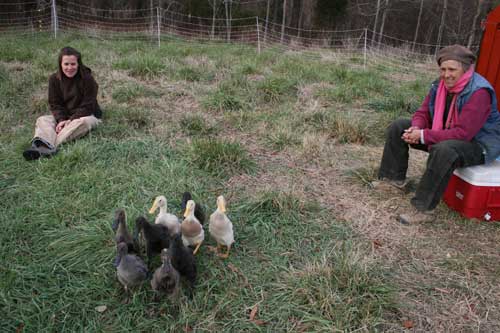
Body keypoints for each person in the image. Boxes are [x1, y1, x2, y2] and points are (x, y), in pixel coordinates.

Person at [376, 44, 500, 224]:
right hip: (447, 133)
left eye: (452, 69)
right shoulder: (439, 85)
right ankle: (393, 180)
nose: (446, 74)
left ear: (465, 69)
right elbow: (423, 112)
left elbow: (463, 134)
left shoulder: (479, 92)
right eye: (443, 69)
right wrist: (415, 129)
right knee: (399, 126)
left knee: (445, 150)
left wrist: (423, 135)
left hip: (478, 145)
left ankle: (423, 209)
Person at [23, 46, 102, 160]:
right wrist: (61, 120)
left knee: (84, 122)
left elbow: (88, 105)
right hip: (65, 116)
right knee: (43, 119)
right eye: (66, 64)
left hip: (86, 115)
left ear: (78, 64)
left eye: (73, 64)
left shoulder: (87, 79)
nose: (70, 67)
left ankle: (45, 146)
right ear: (60, 64)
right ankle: (46, 147)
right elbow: (55, 104)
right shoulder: (54, 79)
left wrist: (70, 120)